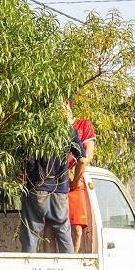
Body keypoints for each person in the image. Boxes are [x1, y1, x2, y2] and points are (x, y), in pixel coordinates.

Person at [21, 121, 87, 254]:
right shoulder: (69, 130)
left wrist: (27, 177)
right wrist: (75, 181)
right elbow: (82, 160)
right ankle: (69, 269)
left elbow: (30, 163)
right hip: (60, 190)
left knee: (31, 233)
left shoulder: (36, 129)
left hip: (37, 188)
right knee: (64, 233)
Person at [63, 97, 96, 253]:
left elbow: (88, 156)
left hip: (76, 182)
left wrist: (76, 178)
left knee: (76, 229)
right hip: (57, 181)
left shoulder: (84, 124)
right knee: (52, 228)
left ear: (67, 103)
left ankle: (73, 260)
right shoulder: (52, 127)